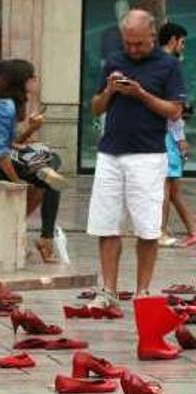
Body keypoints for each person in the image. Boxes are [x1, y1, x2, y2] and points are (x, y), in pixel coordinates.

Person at [88, 9, 187, 307]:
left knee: (147, 227)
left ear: (153, 38)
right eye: (128, 43)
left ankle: (143, 291)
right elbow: (95, 107)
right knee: (105, 225)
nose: (132, 49)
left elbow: (174, 111)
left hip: (147, 155)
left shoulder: (168, 66)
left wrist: (141, 94)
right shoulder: (115, 61)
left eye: (139, 44)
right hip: (110, 153)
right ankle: (108, 290)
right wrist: (109, 90)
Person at [0, 59, 67, 258]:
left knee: (50, 171)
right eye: (32, 77)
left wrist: (31, 129)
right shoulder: (5, 107)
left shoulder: (5, 104)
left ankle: (34, 234)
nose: (36, 81)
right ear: (22, 82)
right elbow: (0, 151)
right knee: (51, 177)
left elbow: (9, 142)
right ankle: (43, 237)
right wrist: (17, 182)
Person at [157, 22, 196, 248]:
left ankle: (165, 230)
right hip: (166, 134)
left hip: (166, 133)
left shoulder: (162, 64)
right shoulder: (170, 65)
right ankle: (163, 230)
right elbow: (174, 108)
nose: (184, 47)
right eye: (182, 42)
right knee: (168, 188)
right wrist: (180, 138)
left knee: (170, 188)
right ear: (173, 40)